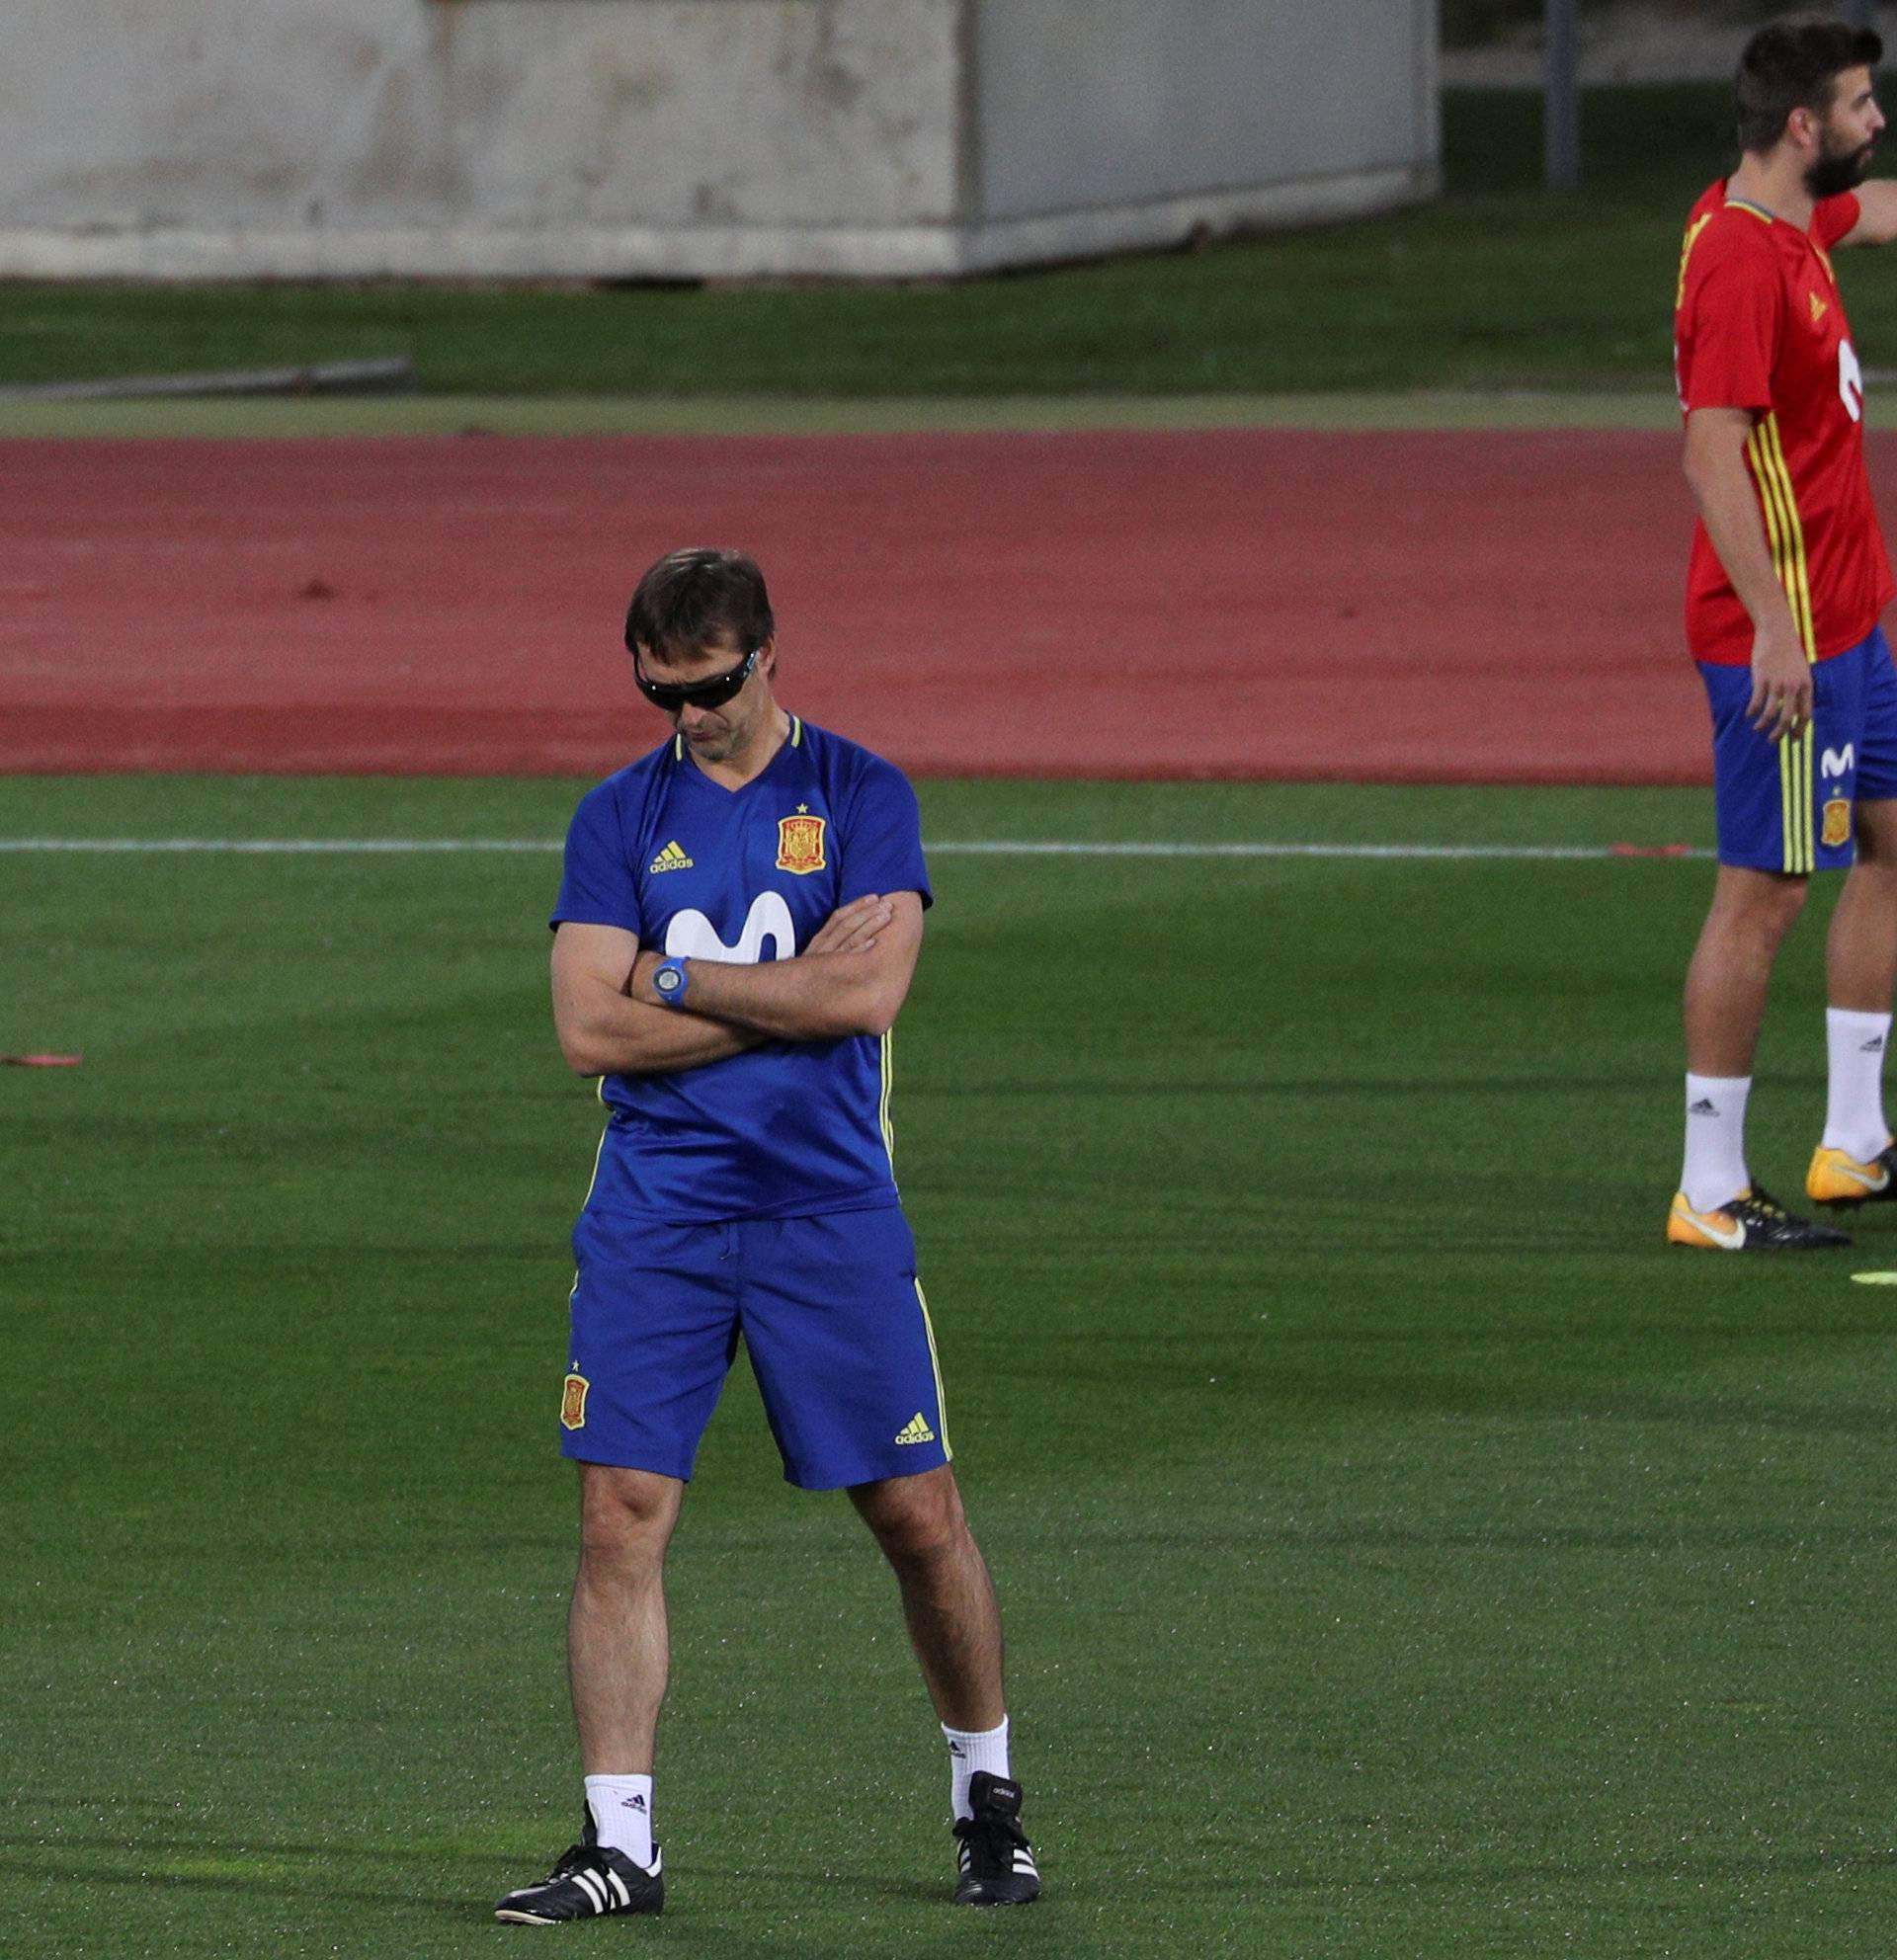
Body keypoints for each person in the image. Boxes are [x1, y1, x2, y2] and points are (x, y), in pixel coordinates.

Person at [495, 548, 1040, 1921]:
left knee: (917, 1517)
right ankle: (621, 1841)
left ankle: (988, 1798)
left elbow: (870, 1001)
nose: (687, 716)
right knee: (619, 1512)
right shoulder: (615, 816)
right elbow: (582, 1027)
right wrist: (786, 987)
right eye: (660, 692)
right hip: (657, 1212)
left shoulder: (862, 794)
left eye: (711, 688)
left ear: (768, 656)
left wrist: (669, 975)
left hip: (825, 1211)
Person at [1669, 15, 1897, 1252]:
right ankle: (1708, 1186)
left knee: (1894, 842)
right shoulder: (1743, 264)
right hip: (1788, 639)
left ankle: (1852, 1142)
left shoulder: (1786, 219)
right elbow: (1710, 455)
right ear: (1804, 126)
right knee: (1764, 892)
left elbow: (1885, 209)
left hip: (1852, 621)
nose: (1875, 124)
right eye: (1862, 106)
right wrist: (1772, 631)